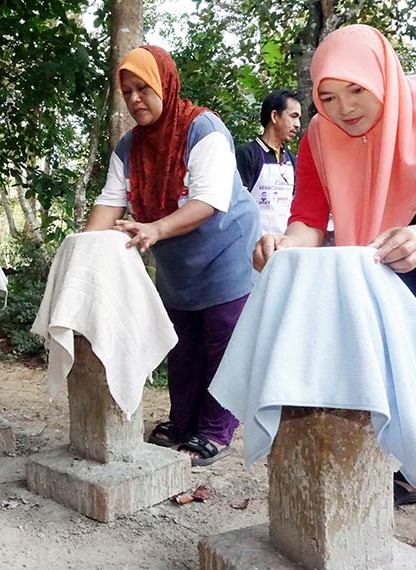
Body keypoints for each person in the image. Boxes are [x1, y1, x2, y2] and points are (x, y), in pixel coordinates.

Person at [253, 24, 416, 561]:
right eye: (328, 97)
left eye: (357, 90)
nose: (344, 109)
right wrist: (283, 246)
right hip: (381, 237)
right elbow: (309, 220)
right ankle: (413, 472)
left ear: (382, 76)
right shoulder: (318, 135)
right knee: (375, 341)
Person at [84, 46, 259, 466]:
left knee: (222, 340)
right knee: (181, 344)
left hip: (225, 250)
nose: (135, 99)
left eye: (144, 88)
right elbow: (111, 202)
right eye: (127, 92)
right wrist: (84, 249)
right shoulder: (129, 147)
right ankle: (182, 422)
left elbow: (209, 200)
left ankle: (215, 429)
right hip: (176, 260)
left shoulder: (204, 129)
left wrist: (156, 228)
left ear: (165, 84)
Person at [236, 90, 301, 235]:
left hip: (284, 246)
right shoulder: (248, 154)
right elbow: (237, 205)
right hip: (252, 246)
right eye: (293, 116)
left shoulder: (292, 160)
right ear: (274, 116)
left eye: (299, 118)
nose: (297, 124)